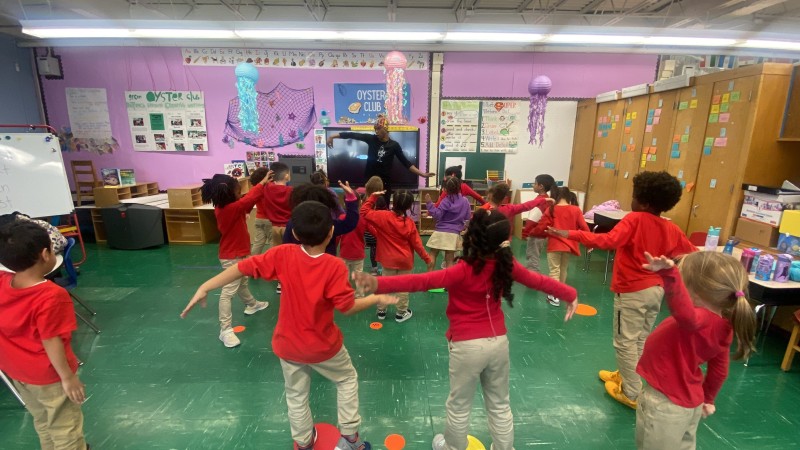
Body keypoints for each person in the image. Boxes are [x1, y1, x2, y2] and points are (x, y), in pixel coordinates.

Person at [353, 209, 578, 450]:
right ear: (503, 240)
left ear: (471, 236)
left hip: (467, 347)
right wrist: (570, 294)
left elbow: (421, 282)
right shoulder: (506, 263)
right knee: (500, 404)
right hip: (498, 343)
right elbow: (538, 280)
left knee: (459, 405)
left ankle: (452, 447)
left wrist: (378, 282)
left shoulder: (464, 269)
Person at [181, 201, 398, 450]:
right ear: (331, 233)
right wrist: (375, 298)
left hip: (288, 345)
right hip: (323, 347)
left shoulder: (282, 254)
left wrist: (205, 286)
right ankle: (350, 438)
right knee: (347, 379)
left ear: (294, 233)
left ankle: (304, 442)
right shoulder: (334, 266)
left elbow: (241, 267)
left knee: (296, 394)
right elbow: (347, 307)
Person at [547, 171, 697, 408]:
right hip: (656, 292)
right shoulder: (672, 228)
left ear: (644, 202)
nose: (632, 200)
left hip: (632, 292)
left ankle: (632, 391)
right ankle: (629, 375)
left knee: (624, 341)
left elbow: (606, 241)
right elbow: (691, 254)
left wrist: (570, 234)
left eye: (635, 196)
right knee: (640, 338)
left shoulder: (635, 219)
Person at [636, 251, 756, 450]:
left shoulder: (698, 319)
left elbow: (683, 312)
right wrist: (708, 399)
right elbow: (719, 370)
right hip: (690, 403)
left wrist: (670, 275)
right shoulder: (724, 326)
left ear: (695, 294)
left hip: (665, 403)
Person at [0, 222, 87, 449]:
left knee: (43, 421)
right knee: (65, 428)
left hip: (17, 371)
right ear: (46, 254)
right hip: (49, 376)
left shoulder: (2, 281)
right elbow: (51, 340)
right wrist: (68, 378)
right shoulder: (51, 296)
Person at [201, 172, 271, 348]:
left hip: (239, 253)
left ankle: (252, 304)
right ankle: (225, 330)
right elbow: (248, 200)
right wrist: (262, 183)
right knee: (228, 291)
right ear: (229, 193)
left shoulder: (228, 206)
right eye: (238, 191)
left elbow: (247, 203)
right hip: (232, 256)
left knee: (242, 283)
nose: (240, 194)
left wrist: (258, 190)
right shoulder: (230, 209)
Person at [361, 190, 433, 322]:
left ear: (394, 203)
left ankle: (381, 311)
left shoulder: (382, 216)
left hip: (388, 260)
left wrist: (373, 196)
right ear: (408, 206)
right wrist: (427, 259)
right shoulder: (410, 223)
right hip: (405, 261)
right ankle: (401, 313)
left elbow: (363, 212)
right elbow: (418, 245)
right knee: (403, 287)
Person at [326, 114, 434, 199]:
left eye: (378, 128)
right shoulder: (371, 139)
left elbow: (406, 163)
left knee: (383, 209)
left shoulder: (394, 145)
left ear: (386, 129)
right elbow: (353, 135)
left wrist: (422, 174)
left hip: (385, 184)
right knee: (370, 208)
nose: (376, 131)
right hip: (370, 181)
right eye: (375, 129)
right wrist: (332, 136)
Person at [530, 186, 589, 307]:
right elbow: (585, 228)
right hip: (569, 245)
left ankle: (554, 296)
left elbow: (542, 226)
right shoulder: (576, 210)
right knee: (563, 269)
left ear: (556, 196)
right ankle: (560, 293)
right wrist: (589, 243)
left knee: (554, 270)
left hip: (554, 245)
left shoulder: (551, 209)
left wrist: (532, 233)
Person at [283, 182, 359, 256]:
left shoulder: (293, 222)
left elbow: (286, 245)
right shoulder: (327, 223)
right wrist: (351, 198)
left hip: (299, 263)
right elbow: (349, 223)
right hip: (326, 263)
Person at [251, 164, 293, 294]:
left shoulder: (267, 189)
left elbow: (257, 189)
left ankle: (279, 282)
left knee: (277, 254)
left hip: (274, 227)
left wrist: (265, 180)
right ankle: (288, 280)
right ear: (286, 176)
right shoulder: (291, 191)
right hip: (288, 227)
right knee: (290, 255)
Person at [425, 177, 472, 270]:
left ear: (445, 189)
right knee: (450, 260)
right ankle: (449, 281)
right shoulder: (465, 201)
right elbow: (467, 218)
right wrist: (464, 227)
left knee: (433, 254)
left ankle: (428, 278)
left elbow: (437, 215)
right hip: (454, 234)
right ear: (459, 187)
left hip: (440, 231)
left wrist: (429, 203)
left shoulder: (446, 200)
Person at [482, 182, 551, 238]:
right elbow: (526, 205)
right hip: (503, 241)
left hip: (488, 241)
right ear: (504, 199)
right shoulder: (509, 209)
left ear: (488, 198)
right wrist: (544, 199)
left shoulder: (484, 209)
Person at [520, 174, 556, 272]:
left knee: (533, 255)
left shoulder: (540, 201)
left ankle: (533, 276)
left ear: (541, 187)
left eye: (535, 183)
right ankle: (531, 271)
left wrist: (525, 232)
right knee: (534, 254)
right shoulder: (547, 199)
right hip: (541, 232)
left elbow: (532, 219)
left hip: (536, 233)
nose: (533, 185)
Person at [363, 176, 386, 275]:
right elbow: (384, 214)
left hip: (367, 233)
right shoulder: (380, 199)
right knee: (379, 248)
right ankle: (382, 267)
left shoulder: (364, 199)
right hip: (377, 232)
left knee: (372, 249)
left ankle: (374, 268)